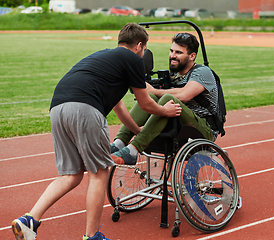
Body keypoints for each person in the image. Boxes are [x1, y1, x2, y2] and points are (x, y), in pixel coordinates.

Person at [11, 23, 182, 240]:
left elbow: (119, 106)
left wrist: (136, 130)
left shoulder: (104, 58)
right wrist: (165, 111)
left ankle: (29, 220)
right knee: (100, 173)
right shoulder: (134, 60)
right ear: (140, 45)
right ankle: (92, 237)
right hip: (85, 107)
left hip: (58, 108)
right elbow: (145, 103)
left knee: (70, 176)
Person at [110, 32, 220, 165]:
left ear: (192, 56)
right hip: (179, 126)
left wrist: (155, 90)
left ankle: (133, 150)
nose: (173, 55)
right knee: (148, 97)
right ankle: (119, 142)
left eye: (178, 52)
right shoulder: (173, 75)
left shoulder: (202, 72)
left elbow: (184, 95)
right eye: (172, 51)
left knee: (168, 98)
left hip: (204, 130)